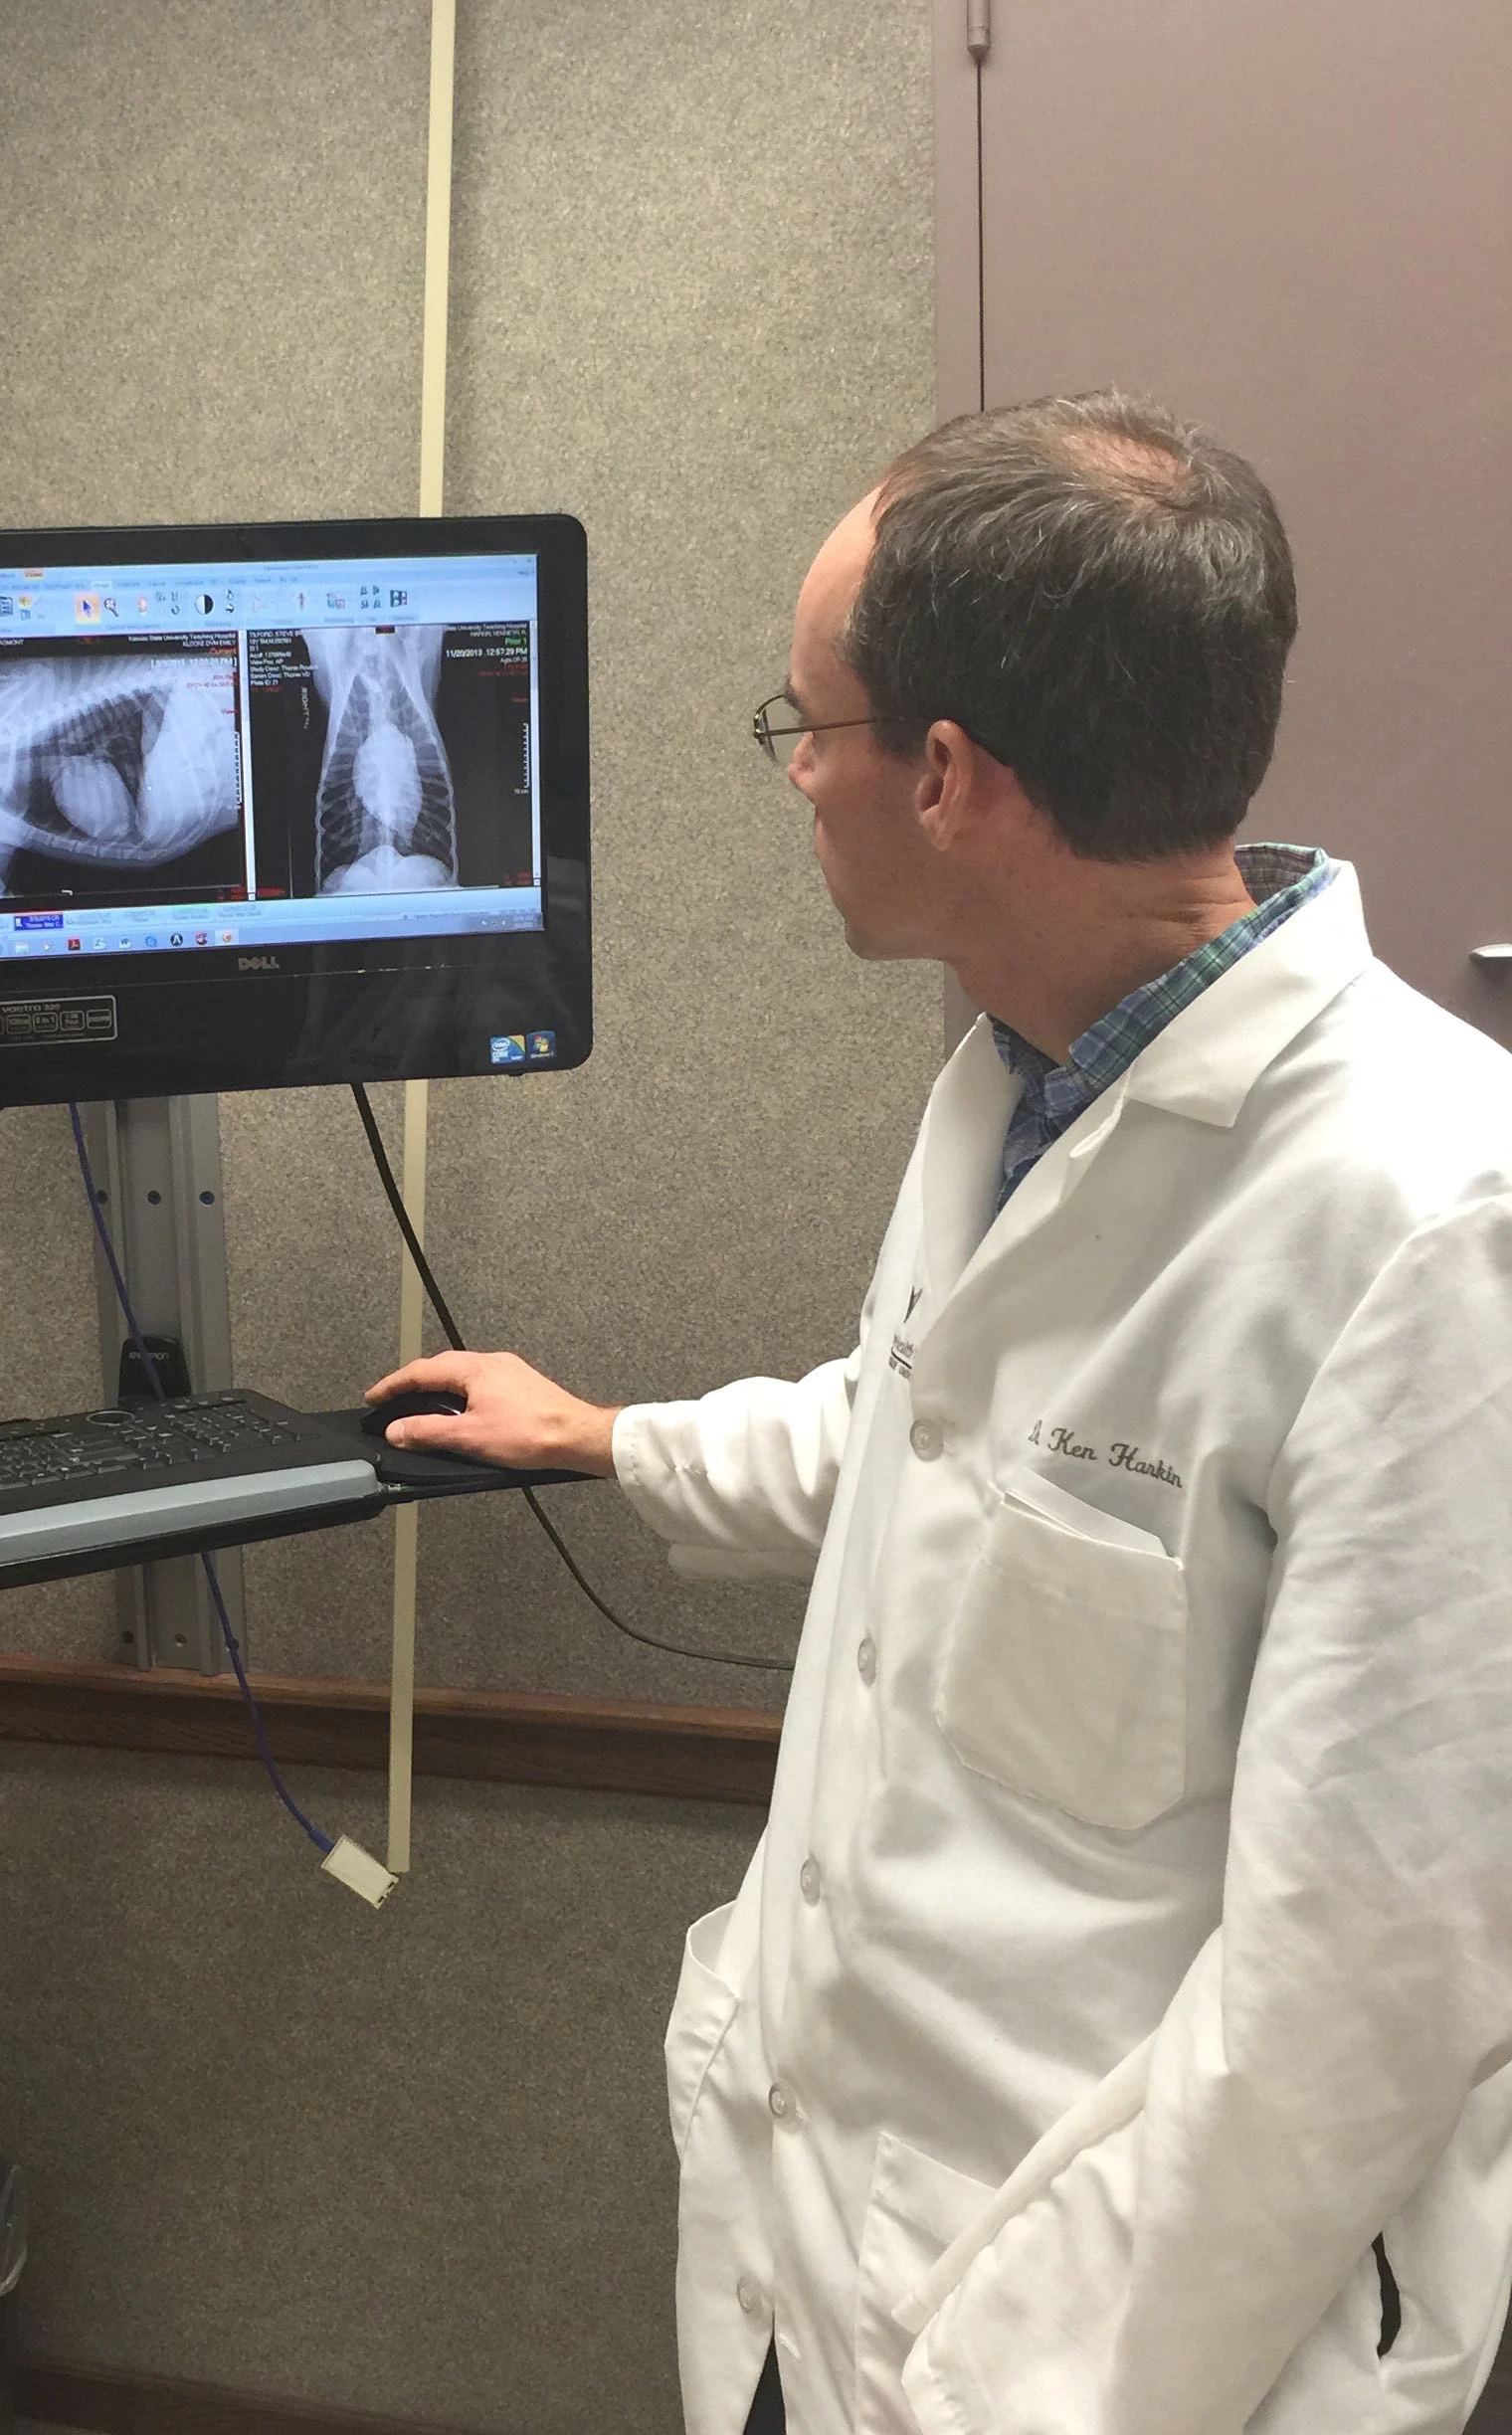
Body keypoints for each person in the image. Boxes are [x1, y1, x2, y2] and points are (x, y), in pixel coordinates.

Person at [371, 395, 1512, 2433]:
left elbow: (1367, 1992)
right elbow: (942, 1452)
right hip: (824, 2251)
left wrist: (1013, 2386)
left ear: (953, 779)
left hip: (1101, 2345)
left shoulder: (1436, 1222)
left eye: (807, 723)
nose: (796, 773)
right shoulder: (1018, 1074)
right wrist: (611, 1438)